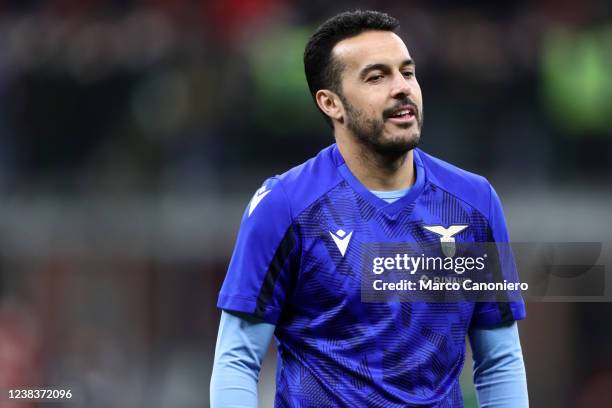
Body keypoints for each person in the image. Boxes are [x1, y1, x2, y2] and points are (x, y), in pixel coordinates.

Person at [210, 10, 528, 407]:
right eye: (376, 77)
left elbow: (499, 360)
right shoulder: (285, 206)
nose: (402, 88)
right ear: (331, 103)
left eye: (407, 73)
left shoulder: (474, 203)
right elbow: (238, 358)